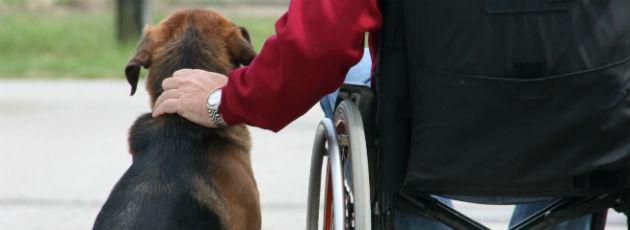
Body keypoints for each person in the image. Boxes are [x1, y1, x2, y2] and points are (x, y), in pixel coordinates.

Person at [150, 0, 622, 228]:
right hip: (584, 126)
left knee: (353, 70)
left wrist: (225, 102)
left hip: (434, 132)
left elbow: (317, 46)